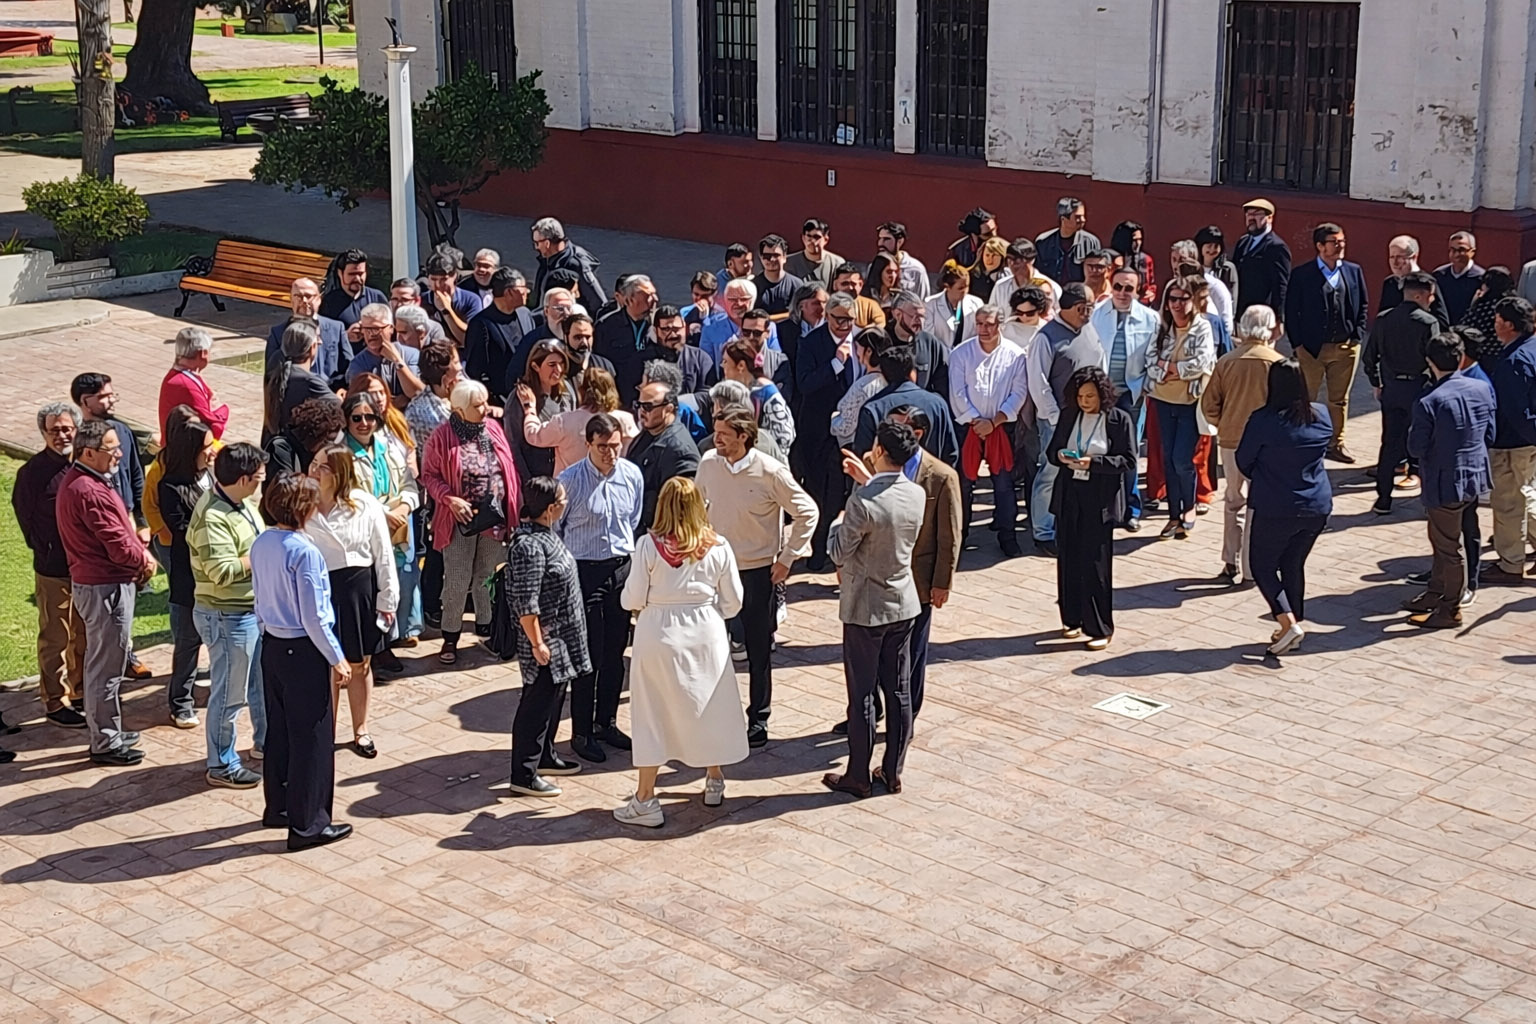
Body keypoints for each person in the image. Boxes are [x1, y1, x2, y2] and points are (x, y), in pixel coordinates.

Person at [614, 478, 749, 827]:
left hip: (658, 633)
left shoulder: (647, 546)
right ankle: (714, 779)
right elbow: (734, 603)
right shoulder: (719, 546)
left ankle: (645, 799)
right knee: (710, 705)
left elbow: (631, 599)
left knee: (652, 713)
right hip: (706, 631)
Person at [697, 408, 818, 748]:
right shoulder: (708, 463)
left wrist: (787, 558)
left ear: (743, 436)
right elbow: (696, 504)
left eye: (724, 433)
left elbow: (807, 511)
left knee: (758, 650)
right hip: (716, 570)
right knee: (712, 646)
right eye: (716, 431)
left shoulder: (770, 470)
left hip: (757, 574)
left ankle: (758, 719)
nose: (716, 438)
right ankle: (714, 715)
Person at [822, 420, 926, 800]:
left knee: (863, 694)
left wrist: (837, 523)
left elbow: (837, 551)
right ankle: (894, 770)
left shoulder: (862, 502)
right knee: (898, 690)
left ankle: (858, 774)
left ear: (879, 451)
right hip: (903, 602)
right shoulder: (915, 493)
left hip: (865, 608)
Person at [839, 406, 960, 730]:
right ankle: (868, 714)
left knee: (911, 661)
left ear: (916, 435)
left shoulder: (941, 477)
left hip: (915, 585)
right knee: (872, 664)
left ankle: (904, 722)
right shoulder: (870, 463)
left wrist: (942, 583)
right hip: (869, 581)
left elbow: (950, 536)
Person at [250, 472, 352, 852]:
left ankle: (279, 806)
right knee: (312, 738)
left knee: (280, 731)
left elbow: (259, 597)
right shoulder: (303, 550)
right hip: (303, 650)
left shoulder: (263, 542)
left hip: (273, 646)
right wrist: (336, 658)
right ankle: (309, 824)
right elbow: (315, 615)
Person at [55, 419, 157, 766]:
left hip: (99, 583)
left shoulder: (88, 481)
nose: (119, 454)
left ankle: (109, 732)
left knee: (105, 664)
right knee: (106, 668)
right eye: (111, 449)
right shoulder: (89, 490)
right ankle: (106, 742)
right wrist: (143, 560)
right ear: (87, 452)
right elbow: (117, 544)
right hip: (105, 587)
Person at [556, 414, 645, 762]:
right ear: (589, 443)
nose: (611, 453)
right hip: (583, 571)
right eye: (603, 446)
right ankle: (581, 731)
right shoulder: (571, 480)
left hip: (620, 569)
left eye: (616, 445)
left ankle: (606, 721)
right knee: (588, 655)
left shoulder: (631, 475)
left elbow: (633, 520)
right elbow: (557, 529)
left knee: (615, 654)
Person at [305, 444, 399, 757]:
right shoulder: (304, 503)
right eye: (313, 464)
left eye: (323, 467)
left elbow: (383, 554)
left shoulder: (363, 503)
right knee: (326, 666)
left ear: (340, 473)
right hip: (320, 591)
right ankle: (325, 733)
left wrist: (387, 600)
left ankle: (361, 730)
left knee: (359, 664)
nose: (314, 472)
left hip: (357, 592)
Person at [1237, 360, 1333, 656]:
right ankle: (1293, 623)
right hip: (1315, 505)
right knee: (1293, 562)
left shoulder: (1263, 420)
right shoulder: (1322, 415)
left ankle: (1287, 622)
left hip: (1275, 506)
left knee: (1263, 566)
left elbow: (1244, 461)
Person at [420, 379, 520, 661]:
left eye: (484, 402)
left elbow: (508, 469)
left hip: (494, 517)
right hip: (459, 520)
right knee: (457, 577)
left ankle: (486, 627)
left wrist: (512, 508)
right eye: (478, 405)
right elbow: (428, 475)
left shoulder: (492, 429)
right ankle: (450, 636)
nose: (485, 408)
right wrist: (450, 499)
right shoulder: (442, 436)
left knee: (486, 572)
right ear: (460, 410)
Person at [188, 443, 269, 789]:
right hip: (227, 617)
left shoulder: (240, 503)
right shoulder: (212, 517)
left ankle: (266, 744)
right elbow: (221, 571)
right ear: (243, 478)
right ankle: (221, 763)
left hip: (249, 612)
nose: (261, 486)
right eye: (258, 479)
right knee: (229, 694)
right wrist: (265, 555)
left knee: (259, 686)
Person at [1404, 332, 1497, 627]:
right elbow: (1490, 434)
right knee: (1443, 538)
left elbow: (1416, 448)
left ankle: (1450, 608)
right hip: (1474, 477)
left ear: (1430, 362)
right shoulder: (1482, 388)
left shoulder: (1429, 400)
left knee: (1448, 546)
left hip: (1445, 483)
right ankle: (1435, 592)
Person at [504, 477, 588, 797]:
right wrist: (538, 643)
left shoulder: (545, 534)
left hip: (561, 639)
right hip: (545, 640)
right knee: (536, 704)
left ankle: (545, 755)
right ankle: (523, 773)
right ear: (551, 508)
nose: (567, 503)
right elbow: (527, 603)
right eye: (563, 500)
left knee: (553, 699)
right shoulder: (528, 546)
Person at [1047, 367, 1136, 650]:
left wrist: (1094, 464)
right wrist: (1062, 456)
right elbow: (1052, 452)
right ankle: (1071, 619)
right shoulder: (1069, 415)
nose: (1084, 401)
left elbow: (1128, 460)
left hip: (1099, 499)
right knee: (1069, 559)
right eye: (1080, 396)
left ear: (1102, 395)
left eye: (1090, 396)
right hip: (1070, 494)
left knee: (1096, 564)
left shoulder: (1118, 420)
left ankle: (1100, 627)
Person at [13, 402, 88, 728]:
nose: (61, 435)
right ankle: (55, 700)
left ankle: (82, 691)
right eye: (54, 430)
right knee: (55, 637)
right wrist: (44, 548)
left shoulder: (87, 463)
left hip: (86, 568)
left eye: (66, 429)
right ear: (44, 433)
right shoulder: (31, 474)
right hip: (52, 568)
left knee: (84, 635)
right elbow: (25, 519)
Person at [1201, 305, 1284, 584]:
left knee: (1233, 500)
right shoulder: (1276, 362)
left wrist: (1224, 421)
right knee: (1257, 505)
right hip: (1267, 444)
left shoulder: (1227, 361)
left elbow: (1209, 403)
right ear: (1270, 328)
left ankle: (1229, 561)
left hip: (1232, 440)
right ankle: (1251, 568)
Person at [1027, 284, 1106, 554]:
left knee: (1081, 472)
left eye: (1091, 308)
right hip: (1058, 420)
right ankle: (1043, 532)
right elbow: (1038, 383)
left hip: (1089, 417)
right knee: (1050, 473)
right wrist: (1054, 418)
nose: (1088, 313)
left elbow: (1100, 364)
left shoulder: (1090, 329)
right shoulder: (1045, 338)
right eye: (1083, 308)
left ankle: (1071, 524)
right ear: (1067, 308)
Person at [1284, 223, 1368, 463]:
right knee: (1306, 396)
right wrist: (1298, 344)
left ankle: (1336, 443)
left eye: (1342, 240)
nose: (1340, 245)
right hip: (1311, 349)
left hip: (1345, 347)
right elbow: (1292, 311)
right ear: (1320, 246)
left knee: (1339, 399)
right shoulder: (1302, 274)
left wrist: (1357, 335)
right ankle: (1304, 440)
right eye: (1334, 242)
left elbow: (1362, 304)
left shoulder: (1353, 271)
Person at [947, 308, 1028, 555]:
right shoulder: (961, 353)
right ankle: (959, 536)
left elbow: (1019, 393)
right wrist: (977, 421)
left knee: (1003, 485)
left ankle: (1008, 535)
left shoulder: (1015, 355)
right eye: (979, 323)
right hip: (969, 428)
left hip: (1001, 428)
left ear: (1000, 325)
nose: (983, 329)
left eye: (989, 324)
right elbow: (957, 393)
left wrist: (994, 422)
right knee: (964, 484)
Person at [1363, 271, 1441, 515]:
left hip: (1392, 390)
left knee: (1390, 443)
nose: (1432, 301)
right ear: (1419, 295)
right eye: (1430, 296)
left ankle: (1383, 498)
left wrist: (1377, 382)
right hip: (1419, 389)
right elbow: (1435, 358)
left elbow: (1369, 357)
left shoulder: (1384, 319)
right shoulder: (1428, 323)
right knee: (1425, 443)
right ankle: (1428, 499)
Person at [1145, 277, 1217, 539]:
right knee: (1167, 459)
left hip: (1189, 402)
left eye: (1183, 299)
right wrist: (1171, 369)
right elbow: (1150, 361)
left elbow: (1200, 364)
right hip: (1162, 400)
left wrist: (1171, 368)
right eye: (1172, 299)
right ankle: (1173, 514)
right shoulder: (1161, 327)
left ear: (1193, 301)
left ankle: (1189, 507)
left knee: (1181, 459)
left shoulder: (1203, 328)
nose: (1177, 304)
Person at [157, 418, 216, 730]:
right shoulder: (170, 487)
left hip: (218, 575)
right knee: (188, 641)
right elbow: (182, 530)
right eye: (207, 447)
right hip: (189, 577)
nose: (212, 452)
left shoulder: (209, 476)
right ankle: (180, 702)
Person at [795, 291, 860, 570]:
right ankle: (819, 550)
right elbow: (805, 384)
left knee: (845, 492)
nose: (845, 326)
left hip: (853, 431)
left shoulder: (861, 341)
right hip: (819, 432)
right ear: (828, 316)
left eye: (850, 320)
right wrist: (836, 363)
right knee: (822, 492)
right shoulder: (811, 343)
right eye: (839, 320)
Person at [1089, 267, 1158, 528]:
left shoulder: (1150, 319)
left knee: (1129, 452)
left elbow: (1153, 358)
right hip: (1103, 394)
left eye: (1128, 288)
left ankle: (1132, 509)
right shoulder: (1098, 315)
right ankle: (1106, 507)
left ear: (1137, 290)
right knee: (1101, 449)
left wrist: (1146, 387)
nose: (1122, 293)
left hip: (1132, 394)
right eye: (1117, 286)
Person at [1484, 296, 1536, 583]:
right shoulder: (1532, 349)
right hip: (1528, 442)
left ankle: (1510, 564)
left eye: (1497, 321)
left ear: (1509, 326)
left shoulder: (1513, 362)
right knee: (1528, 494)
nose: (1494, 326)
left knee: (1509, 503)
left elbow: (1517, 412)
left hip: (1512, 443)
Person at [518, 366, 638, 476]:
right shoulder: (626, 421)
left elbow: (533, 435)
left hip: (571, 491)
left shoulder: (564, 421)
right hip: (613, 488)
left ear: (581, 391)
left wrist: (530, 409)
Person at [856, 341, 959, 467]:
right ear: (912, 372)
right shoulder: (938, 404)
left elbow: (863, 458)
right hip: (930, 483)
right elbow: (951, 453)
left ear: (883, 374)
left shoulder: (872, 409)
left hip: (886, 484)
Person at [626, 378, 701, 532]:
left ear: (668, 409)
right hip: (638, 532)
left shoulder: (679, 449)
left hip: (660, 537)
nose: (641, 411)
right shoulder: (647, 434)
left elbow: (681, 503)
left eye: (648, 406)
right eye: (638, 405)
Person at [462, 266, 537, 404]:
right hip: (500, 400)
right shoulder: (481, 324)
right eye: (523, 289)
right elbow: (475, 369)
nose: (527, 292)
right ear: (509, 292)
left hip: (529, 395)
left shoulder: (525, 314)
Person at [265, 277, 350, 385]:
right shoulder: (278, 333)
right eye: (298, 296)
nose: (304, 301)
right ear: (291, 300)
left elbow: (349, 367)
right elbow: (272, 374)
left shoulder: (336, 329)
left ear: (319, 299)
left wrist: (340, 390)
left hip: (331, 394)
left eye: (309, 296)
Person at [510, 340, 574, 480]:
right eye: (552, 365)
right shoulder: (520, 396)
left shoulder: (567, 391)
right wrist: (527, 481)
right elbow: (514, 443)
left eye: (561, 363)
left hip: (565, 473)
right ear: (535, 366)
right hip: (536, 475)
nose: (558, 370)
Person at [720, 339, 795, 453]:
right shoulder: (734, 391)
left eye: (725, 361)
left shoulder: (765, 391)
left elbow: (784, 433)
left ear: (741, 365)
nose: (722, 366)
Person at [593, 274, 658, 404]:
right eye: (648, 296)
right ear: (628, 301)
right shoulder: (606, 326)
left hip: (654, 398)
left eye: (654, 294)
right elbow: (599, 366)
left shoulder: (659, 323)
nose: (655, 299)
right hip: (620, 399)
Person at [263, 321, 331, 444]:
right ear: (312, 347)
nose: (321, 342)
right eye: (318, 339)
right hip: (302, 450)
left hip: (276, 444)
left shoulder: (276, 371)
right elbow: (338, 412)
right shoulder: (310, 382)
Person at [159, 327, 230, 440]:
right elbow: (213, 428)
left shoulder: (178, 375)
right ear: (203, 353)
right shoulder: (186, 384)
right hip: (185, 453)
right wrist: (221, 409)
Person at [347, 303, 424, 403]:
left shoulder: (411, 354)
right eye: (366, 329)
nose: (371, 335)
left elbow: (416, 392)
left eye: (376, 329)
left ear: (391, 328)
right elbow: (362, 401)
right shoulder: (357, 364)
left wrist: (397, 361)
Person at [1232, 199, 1291, 321]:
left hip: (1261, 315)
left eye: (1257, 214)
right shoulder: (1243, 242)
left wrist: (1279, 318)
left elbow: (1281, 286)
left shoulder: (1277, 247)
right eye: (1249, 214)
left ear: (1270, 218)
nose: (1251, 218)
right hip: (1240, 313)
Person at [265, 396, 344, 482]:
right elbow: (286, 489)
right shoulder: (281, 448)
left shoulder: (313, 454)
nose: (330, 445)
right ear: (315, 435)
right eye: (328, 440)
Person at [1378, 236, 1451, 326]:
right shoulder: (1390, 282)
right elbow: (1382, 318)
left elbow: (1442, 322)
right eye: (1392, 257)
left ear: (1414, 257)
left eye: (1400, 257)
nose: (1395, 263)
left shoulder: (1427, 283)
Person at [531, 216, 605, 304]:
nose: (536, 247)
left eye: (537, 243)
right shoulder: (546, 259)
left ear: (547, 243)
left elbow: (598, 301)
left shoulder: (578, 264)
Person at [648, 304, 717, 395]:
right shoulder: (644, 360)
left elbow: (709, 393)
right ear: (655, 331)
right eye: (666, 329)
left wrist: (684, 403)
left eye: (677, 329)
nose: (673, 335)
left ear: (684, 327)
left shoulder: (701, 358)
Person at [421, 251, 483, 347]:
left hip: (462, 357)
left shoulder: (471, 300)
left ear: (454, 276)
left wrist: (447, 311)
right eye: (433, 279)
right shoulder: (422, 300)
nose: (438, 285)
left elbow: (469, 338)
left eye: (443, 279)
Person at [1034, 197, 1100, 285]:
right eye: (1077, 217)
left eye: (1083, 216)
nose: (1083, 220)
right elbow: (1036, 273)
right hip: (1050, 293)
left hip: (1078, 295)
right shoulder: (1043, 242)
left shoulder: (1091, 243)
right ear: (1063, 219)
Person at [1458, 266, 1516, 365]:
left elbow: (1465, 326)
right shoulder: (1514, 305)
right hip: (1509, 353)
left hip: (1484, 355)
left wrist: (1474, 302)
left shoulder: (1483, 306)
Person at [989, 237, 1062, 311]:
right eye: (1009, 259)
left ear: (1031, 260)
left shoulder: (1050, 286)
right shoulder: (1000, 286)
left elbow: (1055, 316)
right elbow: (991, 313)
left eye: (1017, 260)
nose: (1012, 263)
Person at [319, 248, 387, 327]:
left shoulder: (377, 297)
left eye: (360, 274)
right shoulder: (329, 302)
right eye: (352, 274)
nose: (357, 279)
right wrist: (346, 335)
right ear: (340, 273)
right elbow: (326, 333)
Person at [926, 261, 984, 349]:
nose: (965, 291)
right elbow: (928, 337)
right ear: (947, 287)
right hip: (941, 357)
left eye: (967, 286)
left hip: (967, 356)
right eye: (960, 288)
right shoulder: (930, 304)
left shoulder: (977, 303)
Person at [1435, 232, 1485, 325]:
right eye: (1453, 250)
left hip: (1469, 331)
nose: (1457, 254)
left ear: (1472, 252)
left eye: (1462, 250)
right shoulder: (1439, 275)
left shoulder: (1481, 278)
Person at [752, 234, 804, 316]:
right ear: (761, 258)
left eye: (776, 255)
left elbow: (800, 314)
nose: (772, 259)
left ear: (784, 257)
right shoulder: (752, 286)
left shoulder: (797, 285)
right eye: (767, 256)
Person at [785, 217, 843, 290]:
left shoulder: (837, 264)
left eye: (817, 237)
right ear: (803, 238)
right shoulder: (788, 263)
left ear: (826, 239)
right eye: (809, 236)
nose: (812, 241)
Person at [1110, 220, 1157, 305]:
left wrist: (1150, 293)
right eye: (1134, 240)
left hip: (1141, 305)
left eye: (1140, 240)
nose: (1138, 243)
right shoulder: (1112, 258)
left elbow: (1151, 284)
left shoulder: (1146, 259)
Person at [877, 220, 929, 296]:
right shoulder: (874, 266)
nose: (880, 243)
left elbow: (922, 301)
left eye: (886, 239)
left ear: (900, 241)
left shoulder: (916, 269)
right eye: (880, 238)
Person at [969, 236, 1009, 300]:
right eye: (987, 255)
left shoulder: (1007, 278)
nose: (990, 260)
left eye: (994, 255)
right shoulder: (970, 276)